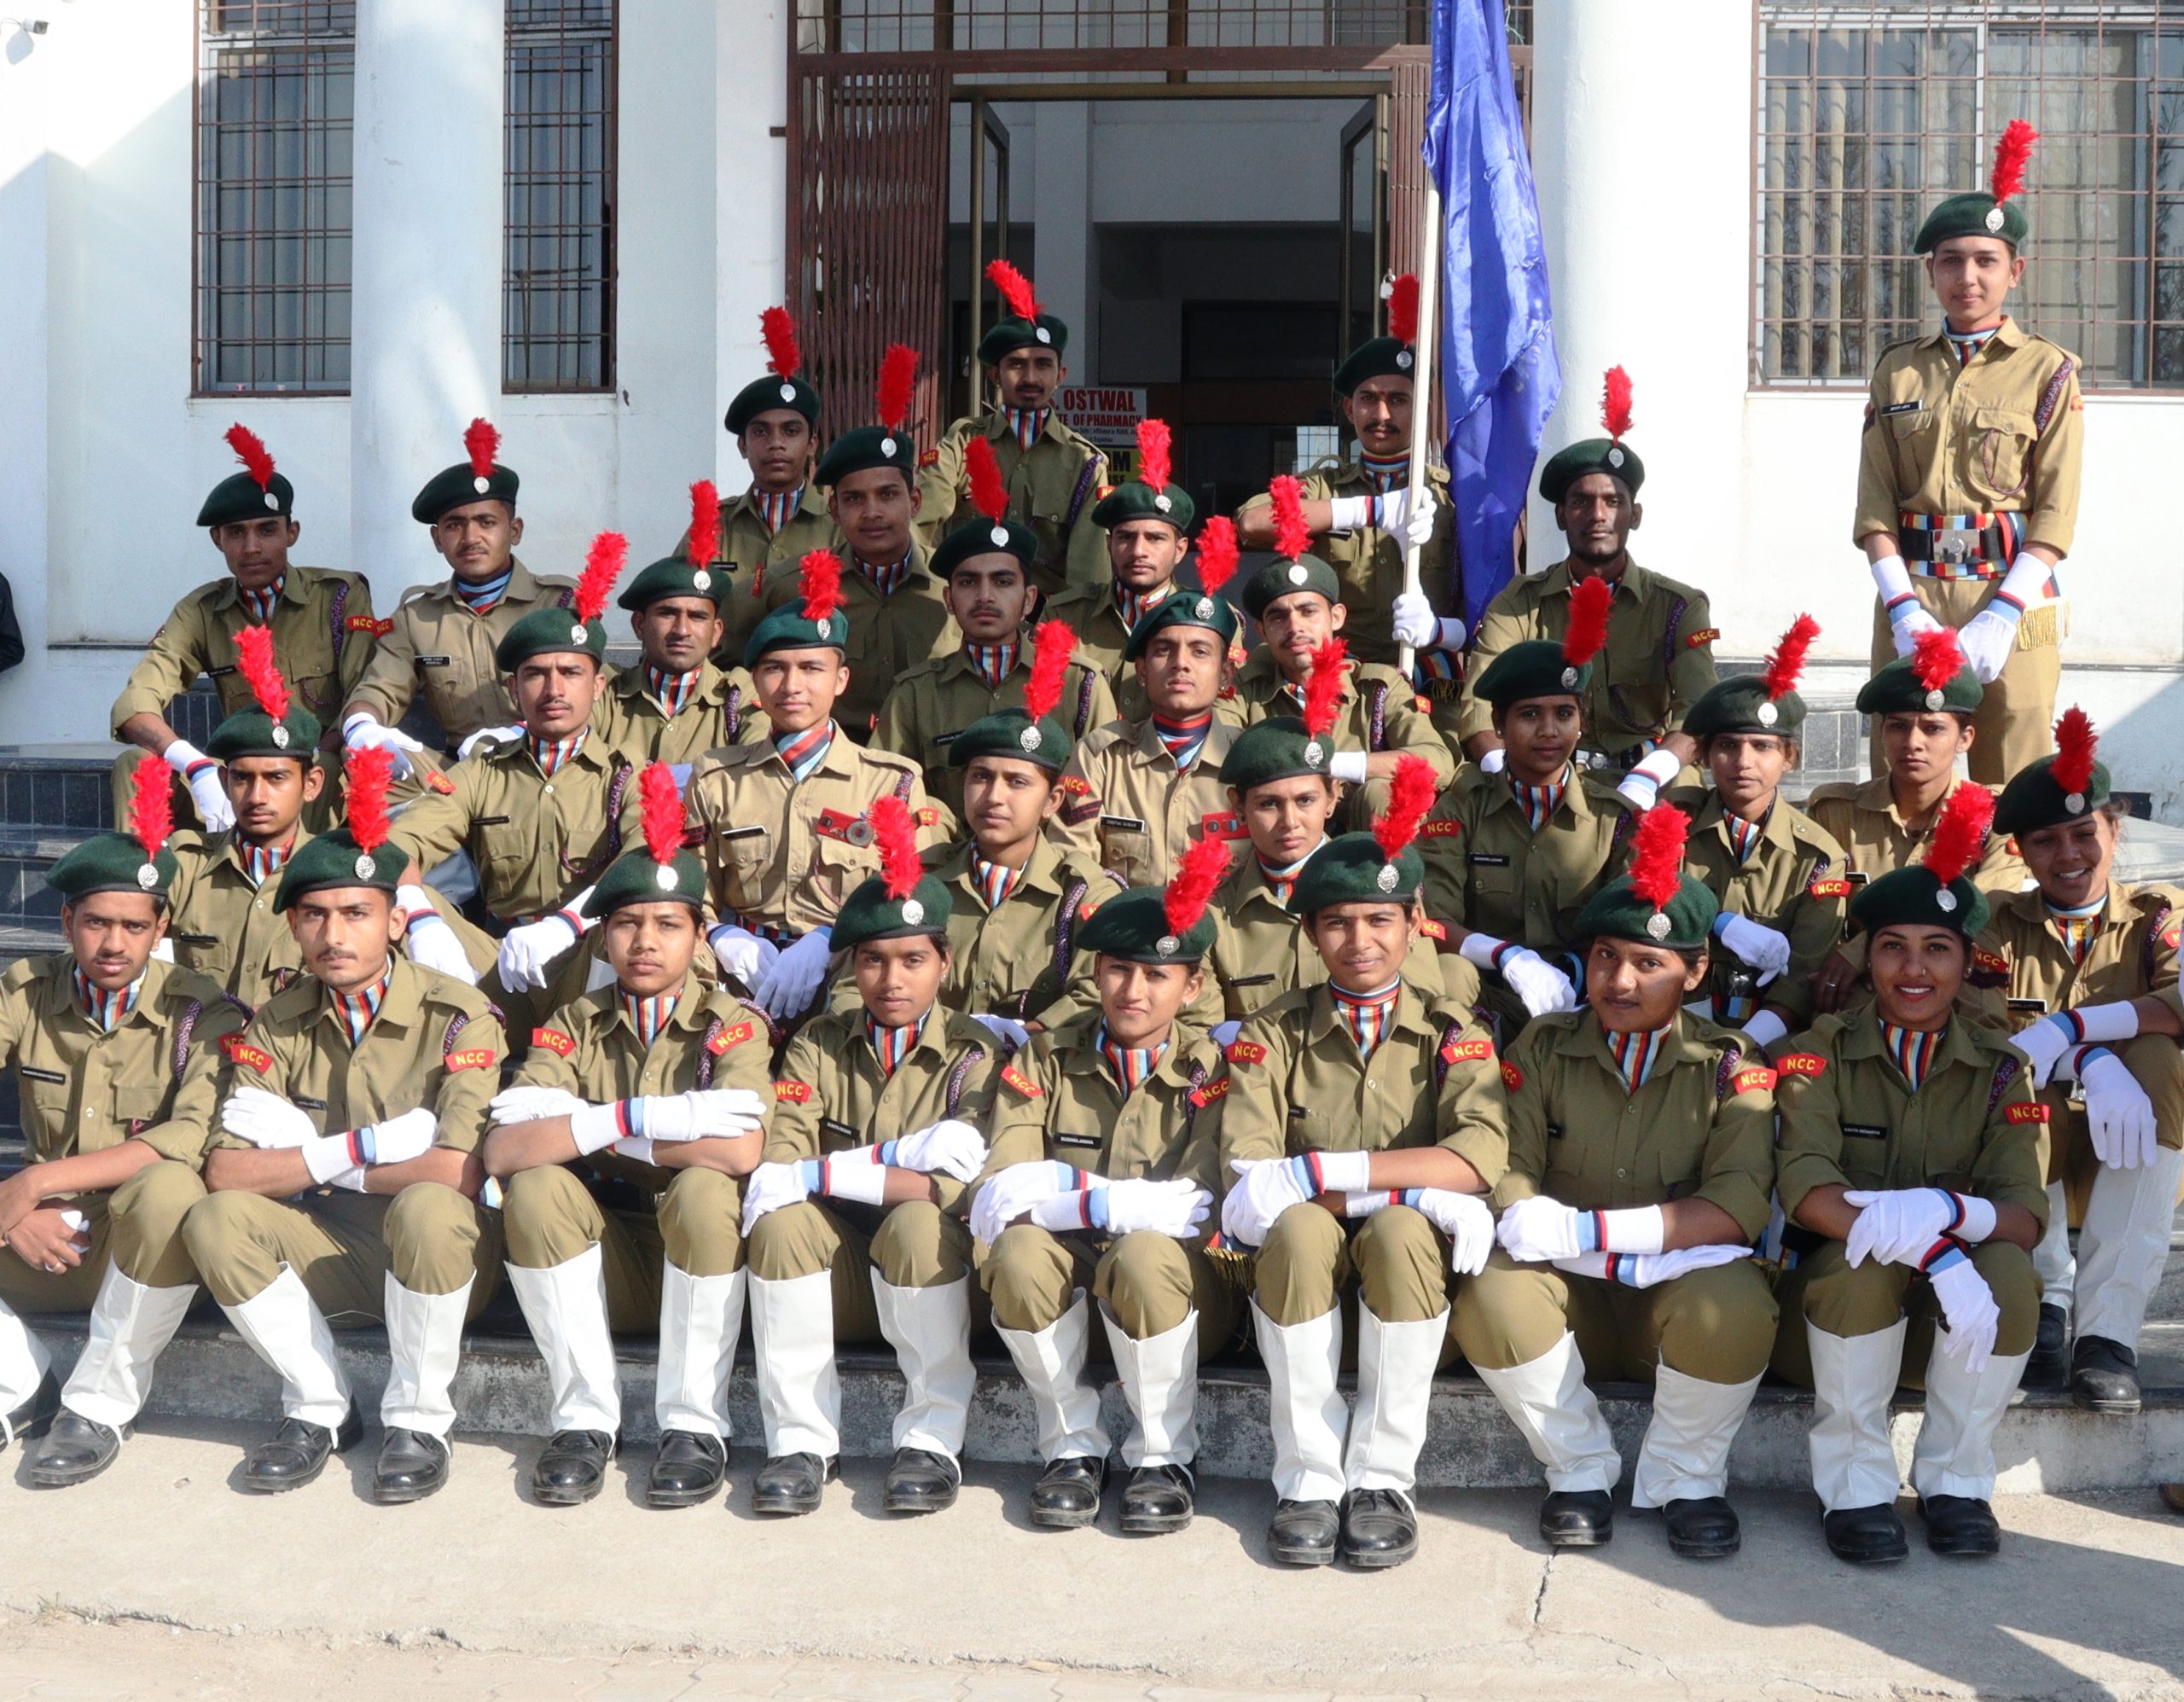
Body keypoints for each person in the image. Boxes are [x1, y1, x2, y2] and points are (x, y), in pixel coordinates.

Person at [178, 751, 508, 1502]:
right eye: (315, 915)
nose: (335, 933)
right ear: (294, 926)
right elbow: (227, 1170)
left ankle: (419, 1420)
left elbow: (457, 1169)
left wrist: (314, 1155)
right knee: (215, 1218)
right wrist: (352, 1150)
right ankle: (321, 1405)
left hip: (448, 1254)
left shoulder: (458, 1014)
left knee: (428, 1206)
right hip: (333, 1247)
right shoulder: (277, 1021)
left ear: (396, 920)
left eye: (357, 913)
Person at [1455, 807, 1779, 1560]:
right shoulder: (1542, 1045)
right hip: (1570, 1303)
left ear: (1696, 971)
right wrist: (1531, 1215)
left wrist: (1588, 1230)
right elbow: (1510, 1165)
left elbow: (1737, 1204)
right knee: (1492, 1289)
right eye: (1605, 956)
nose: (1620, 980)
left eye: (1647, 962)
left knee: (1738, 1301)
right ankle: (1577, 1469)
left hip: (1675, 1303)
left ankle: (1688, 1479)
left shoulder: (1730, 1064)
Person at [1219, 765, 1507, 1569]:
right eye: (1337, 923)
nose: (1360, 941)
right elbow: (1252, 1177)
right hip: (1295, 1266)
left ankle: (1383, 1478)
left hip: (1404, 1267)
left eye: (1381, 919)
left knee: (1402, 1230)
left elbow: (1476, 1155)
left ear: (1415, 923)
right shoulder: (1270, 1032)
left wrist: (1327, 1174)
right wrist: (1400, 1182)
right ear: (1312, 936)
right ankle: (1310, 1479)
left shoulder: (1455, 1032)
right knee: (1302, 1228)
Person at [1769, 783, 2048, 1563]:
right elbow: (1807, 1189)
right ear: (1868, 959)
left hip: (1952, 1331)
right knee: (1860, 1265)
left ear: (1966, 962)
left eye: (1937, 949)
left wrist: (1945, 1213)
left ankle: (1956, 1481)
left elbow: (2025, 1213)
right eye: (1893, 947)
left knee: (2010, 1272)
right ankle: (1855, 1486)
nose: (1914, 968)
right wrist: (1936, 1248)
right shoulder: (1818, 1052)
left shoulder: (2003, 1067)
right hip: (1830, 1317)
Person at [482, 764, 772, 1508]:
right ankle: (584, 1420)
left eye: (668, 924)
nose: (646, 941)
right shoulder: (574, 1021)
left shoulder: (730, 1025)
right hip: (606, 1261)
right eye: (626, 924)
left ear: (699, 936)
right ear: (603, 936)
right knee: (536, 1188)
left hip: (700, 1258)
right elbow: (506, 1148)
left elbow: (740, 1150)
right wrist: (627, 1119)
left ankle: (694, 1425)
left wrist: (580, 1129)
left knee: (706, 1189)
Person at [738, 802, 999, 1515]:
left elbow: (953, 1186)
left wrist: (829, 1171)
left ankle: (932, 1439)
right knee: (781, 1220)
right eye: (874, 960)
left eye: (913, 959)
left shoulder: (974, 1052)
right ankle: (800, 1442)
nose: (892, 979)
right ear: (853, 967)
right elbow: (782, 1164)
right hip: (843, 1270)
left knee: (917, 1221)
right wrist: (881, 1165)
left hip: (940, 1273)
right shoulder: (818, 1043)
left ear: (944, 964)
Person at [971, 839, 1231, 1532]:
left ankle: (1165, 1455)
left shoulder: (1213, 1069)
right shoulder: (1046, 1058)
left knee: (1144, 1251)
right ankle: (1071, 1445)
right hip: (1077, 1282)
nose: (1133, 991)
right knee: (1018, 1252)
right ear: (1095, 972)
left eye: (1156, 975)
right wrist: (1101, 1198)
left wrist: (1063, 1193)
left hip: (1180, 1289)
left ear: (1192, 988)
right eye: (1118, 969)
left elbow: (1196, 1206)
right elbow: (1004, 1189)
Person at [0, 760, 246, 1486]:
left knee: (172, 1186)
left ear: (160, 927)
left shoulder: (199, 1011)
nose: (114, 944)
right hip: (38, 1238)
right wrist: (14, 1208)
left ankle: (98, 1405)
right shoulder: (24, 992)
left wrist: (33, 1180)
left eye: (134, 926)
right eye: (97, 923)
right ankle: (19, 1382)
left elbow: (187, 1138)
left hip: (141, 1248)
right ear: (66, 922)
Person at [1968, 712, 2183, 1413]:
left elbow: (2181, 999)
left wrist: (2075, 1028)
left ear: (2115, 831)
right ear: (2021, 853)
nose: (2068, 854)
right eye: (2046, 840)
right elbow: (1984, 1034)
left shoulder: (2159, 915)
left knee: (2159, 1055)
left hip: (2143, 1152)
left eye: (2084, 832)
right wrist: (2087, 1060)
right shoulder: (1995, 925)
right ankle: (2045, 1302)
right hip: (2037, 1152)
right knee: (2019, 1086)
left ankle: (2108, 1337)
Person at [1855, 120, 2081, 786]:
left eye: (1986, 261)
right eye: (1951, 261)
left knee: (2012, 784)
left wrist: (2004, 613)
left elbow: (2056, 511)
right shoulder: (1898, 370)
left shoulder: (2049, 371)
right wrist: (1902, 607)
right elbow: (1874, 504)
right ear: (1931, 271)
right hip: (1913, 591)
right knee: (1905, 778)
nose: (1968, 277)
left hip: (2012, 594)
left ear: (2015, 271)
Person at [387, 533, 643, 1029]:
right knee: (401, 905)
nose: (553, 689)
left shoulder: (629, 773)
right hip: (502, 962)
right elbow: (399, 844)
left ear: (599, 686)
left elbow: (643, 858)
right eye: (535, 674)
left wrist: (567, 923)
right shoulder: (482, 771)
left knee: (632, 920)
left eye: (571, 672)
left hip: (589, 962)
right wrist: (420, 918)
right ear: (513, 687)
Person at [685, 550, 945, 1026]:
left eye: (811, 668)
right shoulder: (717, 778)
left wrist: (832, 938)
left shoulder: (891, 782)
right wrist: (722, 937)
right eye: (775, 669)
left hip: (851, 978)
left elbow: (912, 899)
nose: (792, 685)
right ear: (755, 681)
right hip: (739, 974)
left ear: (841, 679)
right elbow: (690, 892)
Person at [166, 630, 485, 1005]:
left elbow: (397, 859)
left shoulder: (340, 873)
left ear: (313, 784)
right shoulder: (186, 865)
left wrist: (422, 917)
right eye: (241, 778)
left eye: (276, 778)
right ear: (224, 782)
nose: (257, 796)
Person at [110, 426, 377, 833]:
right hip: (239, 776)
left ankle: (302, 866)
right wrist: (194, 764)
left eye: (267, 530)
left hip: (315, 771)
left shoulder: (339, 597)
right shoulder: (202, 611)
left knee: (332, 764)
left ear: (291, 533)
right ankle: (140, 875)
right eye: (236, 533)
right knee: (137, 764)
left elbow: (364, 695)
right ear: (218, 539)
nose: (251, 547)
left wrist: (298, 770)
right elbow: (134, 703)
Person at [1448, 369, 1716, 774]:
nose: (1598, 515)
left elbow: (1698, 707)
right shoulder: (1519, 603)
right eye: (1580, 502)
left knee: (1688, 799)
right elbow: (1478, 706)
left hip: (1646, 773)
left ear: (1635, 515)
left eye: (1613, 501)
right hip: (1544, 774)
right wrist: (1502, 769)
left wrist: (1655, 773)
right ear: (1561, 516)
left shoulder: (1678, 606)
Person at [1420, 578, 1633, 1033]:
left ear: (1581, 721)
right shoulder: (1463, 807)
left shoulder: (1613, 818)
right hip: (1489, 993)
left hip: (1588, 998)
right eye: (1530, 714)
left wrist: (1579, 976)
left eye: (1564, 714)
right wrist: (1506, 956)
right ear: (1498, 724)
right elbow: (1434, 921)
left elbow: (1633, 923)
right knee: (1447, 973)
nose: (1549, 731)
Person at [1237, 276, 1454, 699]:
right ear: (1349, 409)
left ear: (1424, 408)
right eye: (1368, 399)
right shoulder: (1323, 485)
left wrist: (1443, 630)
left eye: (1398, 400)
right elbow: (1252, 522)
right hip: (1341, 684)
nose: (1382, 414)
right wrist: (1365, 511)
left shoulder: (1450, 495)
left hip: (1429, 678)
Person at [901, 639, 1120, 1035]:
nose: (993, 797)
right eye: (980, 777)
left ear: (1052, 801)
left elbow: (1099, 993)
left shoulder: (1081, 893)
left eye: (1017, 782)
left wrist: (1026, 1034)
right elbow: (857, 984)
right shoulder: (919, 880)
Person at [1807, 630, 2024, 1016]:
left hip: (1957, 992)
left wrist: (1862, 947)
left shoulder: (1995, 816)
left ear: (1965, 738)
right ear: (1881, 733)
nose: (1913, 742)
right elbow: (1819, 915)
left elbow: (1981, 909)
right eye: (1898, 726)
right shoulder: (1836, 812)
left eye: (1933, 728)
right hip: (1861, 995)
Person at [1659, 617, 1850, 1054]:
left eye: (1762, 746)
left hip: (1770, 1033)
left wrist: (1743, 1046)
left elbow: (1803, 974)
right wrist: (1719, 922)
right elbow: (1647, 916)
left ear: (1790, 757)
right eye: (1728, 746)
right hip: (1672, 1019)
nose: (1743, 761)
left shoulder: (1818, 855)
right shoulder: (1673, 824)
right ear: (1705, 756)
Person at [341, 418, 575, 775]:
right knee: (363, 768)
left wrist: (522, 731)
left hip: (549, 762)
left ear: (514, 531)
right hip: (459, 772)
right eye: (454, 525)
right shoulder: (417, 618)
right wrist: (363, 727)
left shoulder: (559, 604)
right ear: (438, 539)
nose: (470, 538)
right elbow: (381, 687)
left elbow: (591, 695)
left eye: (486, 522)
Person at [1206, 717, 1458, 1026]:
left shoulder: (1383, 885)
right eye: (1269, 804)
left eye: (1305, 800)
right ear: (1238, 807)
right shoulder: (1216, 912)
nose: (1289, 821)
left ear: (1332, 797)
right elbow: (1201, 1027)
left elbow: (1422, 1001)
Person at [760, 347, 958, 741]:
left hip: (934, 759)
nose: (872, 512)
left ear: (915, 501)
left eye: (888, 495)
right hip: (832, 760)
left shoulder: (954, 587)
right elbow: (733, 659)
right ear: (834, 509)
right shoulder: (794, 584)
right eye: (854, 499)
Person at [1230, 485, 1455, 822]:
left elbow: (1437, 761)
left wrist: (1339, 765)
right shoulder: (1247, 688)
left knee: (1383, 793)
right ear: (1261, 631)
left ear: (1336, 618)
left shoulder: (1377, 687)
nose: (1295, 627)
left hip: (1359, 840)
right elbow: (1221, 758)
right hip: (1275, 832)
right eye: (1278, 617)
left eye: (1308, 611)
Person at [873, 516, 1114, 819]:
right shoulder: (915, 694)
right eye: (968, 582)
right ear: (949, 599)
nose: (985, 596)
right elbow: (886, 797)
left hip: (1054, 848)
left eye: (1003, 582)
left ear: (1029, 600)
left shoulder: (1080, 684)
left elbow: (1107, 796)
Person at [1053, 524, 1244, 886]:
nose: (1180, 663)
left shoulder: (1249, 761)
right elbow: (1072, 857)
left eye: (1200, 652)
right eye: (1163, 650)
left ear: (1225, 674)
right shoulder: (1101, 757)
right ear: (1142, 672)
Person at [918, 262, 1108, 596]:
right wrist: (935, 594)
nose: (1030, 378)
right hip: (971, 610)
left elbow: (1087, 574)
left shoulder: (1085, 463)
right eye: (1017, 364)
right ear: (995, 375)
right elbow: (921, 522)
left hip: (1046, 617)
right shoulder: (963, 442)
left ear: (1060, 375)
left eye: (1043, 365)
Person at [595, 482, 770, 767]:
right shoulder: (606, 694)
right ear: (639, 625)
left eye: (698, 617)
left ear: (716, 633)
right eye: (667, 614)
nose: (682, 630)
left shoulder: (739, 697)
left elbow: (755, 773)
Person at [1043, 419, 1201, 723]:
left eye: (1155, 538)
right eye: (1126, 537)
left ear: (1180, 549)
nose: (1138, 550)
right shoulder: (1064, 615)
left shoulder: (1207, 620)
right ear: (1109, 544)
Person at [713, 305, 839, 665]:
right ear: (742, 446)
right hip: (725, 685)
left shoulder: (838, 526)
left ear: (812, 444)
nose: (776, 443)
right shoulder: (713, 525)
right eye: (760, 432)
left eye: (791, 431)